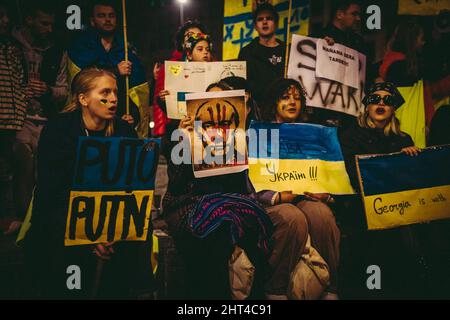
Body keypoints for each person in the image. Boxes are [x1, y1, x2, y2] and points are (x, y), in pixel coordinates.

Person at [24, 68, 150, 299]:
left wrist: (115, 230)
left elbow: (134, 187)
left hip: (114, 219)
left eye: (115, 92)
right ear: (83, 99)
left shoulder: (123, 130)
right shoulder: (59, 130)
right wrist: (88, 236)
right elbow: (52, 193)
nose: (113, 99)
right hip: (64, 217)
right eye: (105, 92)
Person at [339, 82, 435, 298]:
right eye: (375, 99)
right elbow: (353, 175)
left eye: (387, 100)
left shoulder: (404, 140)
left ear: (394, 109)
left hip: (399, 211)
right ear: (367, 106)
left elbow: (413, 182)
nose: (381, 103)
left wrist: (408, 159)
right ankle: (374, 290)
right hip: (362, 210)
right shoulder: (351, 136)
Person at [259, 78, 341, 300]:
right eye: (285, 97)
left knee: (321, 215)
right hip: (273, 202)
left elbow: (328, 172)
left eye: (297, 98)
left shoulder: (314, 134)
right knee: (293, 217)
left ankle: (330, 287)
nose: (292, 102)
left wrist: (326, 193)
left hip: (306, 195)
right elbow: (251, 181)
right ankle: (275, 289)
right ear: (274, 103)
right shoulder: (260, 133)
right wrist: (276, 196)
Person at [12, 2, 68, 223]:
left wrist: (48, 90)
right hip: (18, 118)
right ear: (29, 20)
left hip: (46, 119)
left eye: (52, 24)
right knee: (22, 168)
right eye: (44, 23)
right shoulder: (10, 46)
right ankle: (23, 220)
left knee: (43, 173)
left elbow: (64, 91)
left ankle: (39, 222)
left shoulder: (56, 51)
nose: (49, 29)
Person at [67, 0, 148, 135]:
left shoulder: (127, 52)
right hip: (88, 121)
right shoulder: (81, 47)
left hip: (118, 119)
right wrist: (116, 71)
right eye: (101, 16)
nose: (107, 20)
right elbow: (79, 80)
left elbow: (138, 90)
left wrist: (133, 115)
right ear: (92, 21)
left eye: (111, 15)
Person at [379, 21, 450, 134]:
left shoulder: (393, 62)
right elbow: (437, 71)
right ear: (412, 41)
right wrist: (437, 40)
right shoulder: (403, 67)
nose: (423, 42)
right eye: (421, 38)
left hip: (403, 120)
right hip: (408, 121)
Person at [311, 0, 364, 130]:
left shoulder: (358, 42)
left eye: (359, 15)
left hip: (349, 111)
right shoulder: (319, 37)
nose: (358, 18)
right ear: (340, 14)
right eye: (354, 14)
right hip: (323, 110)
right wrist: (320, 47)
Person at [152, 20, 208, 138]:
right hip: (177, 127)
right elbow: (159, 104)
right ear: (182, 42)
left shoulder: (212, 66)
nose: (194, 38)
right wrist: (160, 131)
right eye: (189, 35)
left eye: (198, 35)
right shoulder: (170, 66)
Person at [0, 2, 27, 236]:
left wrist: (19, 116)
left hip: (10, 121)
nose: (5, 21)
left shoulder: (12, 48)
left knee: (7, 172)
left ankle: (7, 218)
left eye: (7, 17)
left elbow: (19, 85)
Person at [238, 3, 285, 107]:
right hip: (258, 112)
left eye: (269, 18)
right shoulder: (247, 53)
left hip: (285, 108)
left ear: (276, 24)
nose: (264, 22)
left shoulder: (287, 50)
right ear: (255, 26)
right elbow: (242, 86)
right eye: (260, 19)